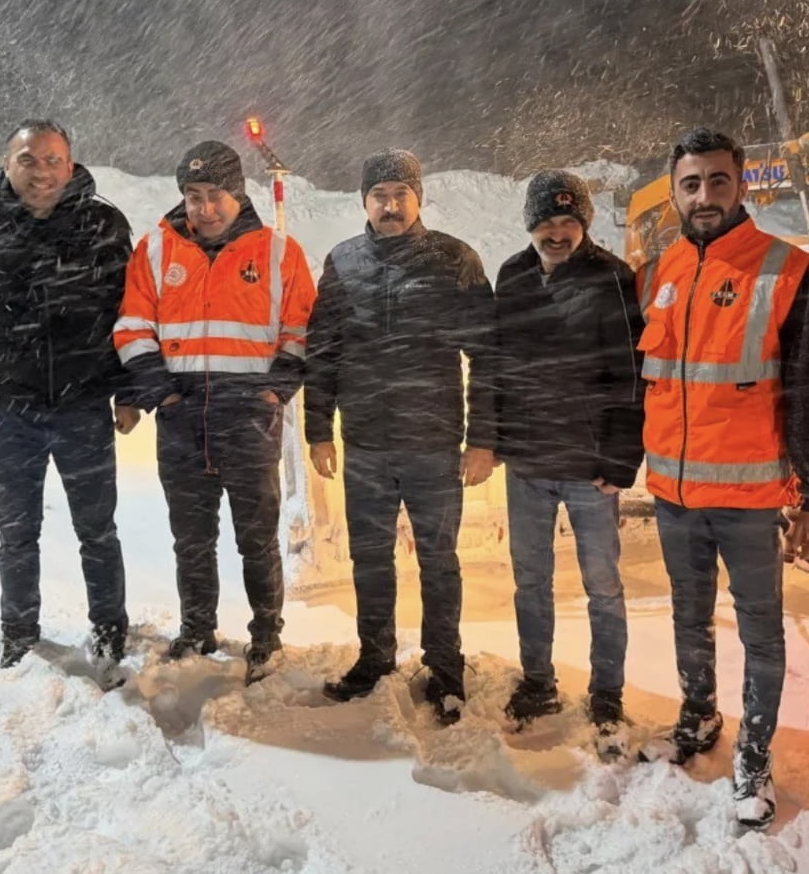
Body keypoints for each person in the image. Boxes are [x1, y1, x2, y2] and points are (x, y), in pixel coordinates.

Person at [635, 127, 809, 829]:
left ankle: (753, 757)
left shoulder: (786, 270)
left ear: (742, 185)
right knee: (688, 617)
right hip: (675, 497)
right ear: (675, 190)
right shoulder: (662, 270)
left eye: (717, 181)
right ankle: (699, 716)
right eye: (691, 183)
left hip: (752, 502)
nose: (704, 196)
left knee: (760, 631)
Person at [0, 119, 139, 680]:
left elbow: (128, 315)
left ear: (70, 165)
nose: (42, 171)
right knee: (17, 534)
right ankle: (19, 633)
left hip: (84, 406)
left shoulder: (103, 224)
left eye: (53, 160)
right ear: (8, 164)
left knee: (97, 529)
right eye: (29, 160)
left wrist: (127, 392)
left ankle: (109, 628)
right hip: (10, 411)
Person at [114, 140, 316, 684]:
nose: (204, 208)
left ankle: (267, 635)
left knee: (256, 537)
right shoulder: (155, 250)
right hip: (181, 416)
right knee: (191, 537)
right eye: (193, 195)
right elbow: (133, 327)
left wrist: (274, 392)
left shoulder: (278, 253)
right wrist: (162, 393)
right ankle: (197, 628)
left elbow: (299, 329)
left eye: (215, 196)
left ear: (238, 192)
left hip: (248, 416)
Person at [306, 148, 496, 725]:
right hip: (364, 444)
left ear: (419, 198)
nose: (390, 206)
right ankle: (375, 656)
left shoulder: (454, 260)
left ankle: (445, 667)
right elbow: (323, 351)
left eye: (400, 195)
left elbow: (487, 355)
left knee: (439, 562)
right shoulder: (342, 263)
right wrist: (319, 431)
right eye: (379, 196)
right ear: (363, 201)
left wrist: (485, 438)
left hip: (434, 446)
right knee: (369, 560)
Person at [493, 170, 645, 752]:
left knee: (602, 586)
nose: (557, 233)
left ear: (583, 223)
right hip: (528, 463)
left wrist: (623, 457)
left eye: (567, 222)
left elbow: (631, 377)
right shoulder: (512, 277)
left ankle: (607, 691)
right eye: (546, 223)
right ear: (531, 226)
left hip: (590, 467)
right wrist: (499, 439)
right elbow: (498, 366)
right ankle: (538, 681)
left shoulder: (612, 279)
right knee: (530, 583)